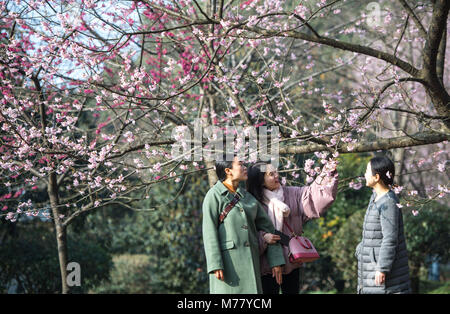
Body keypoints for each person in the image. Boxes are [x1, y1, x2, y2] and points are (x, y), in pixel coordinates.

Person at [246, 160, 338, 294]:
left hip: (291, 260)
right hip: (265, 266)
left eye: (276, 172)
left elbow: (313, 196)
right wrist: (263, 237)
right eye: (271, 174)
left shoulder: (292, 194)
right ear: (260, 180)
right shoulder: (251, 202)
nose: (276, 176)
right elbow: (248, 232)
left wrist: (327, 174)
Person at [202, 155, 285, 294]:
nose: (245, 167)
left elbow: (268, 228)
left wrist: (276, 260)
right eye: (240, 164)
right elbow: (209, 232)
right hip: (228, 266)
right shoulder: (213, 196)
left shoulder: (247, 197)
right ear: (228, 170)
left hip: (252, 263)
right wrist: (215, 264)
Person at [355, 156, 411, 294]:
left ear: (377, 177)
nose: (365, 174)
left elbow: (390, 238)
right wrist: (361, 249)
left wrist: (382, 268)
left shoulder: (389, 202)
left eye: (368, 171)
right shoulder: (375, 197)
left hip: (384, 275)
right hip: (369, 266)